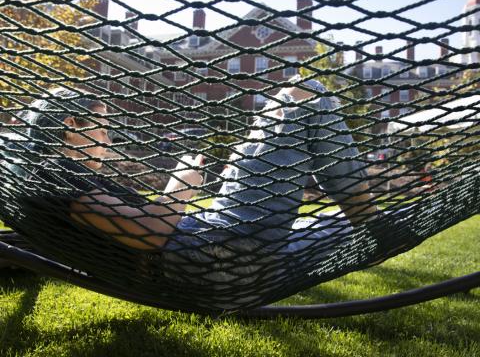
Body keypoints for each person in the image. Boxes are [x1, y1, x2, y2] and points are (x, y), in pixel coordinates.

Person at [1, 81, 407, 307]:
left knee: (336, 222)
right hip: (223, 261)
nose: (108, 139)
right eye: (101, 126)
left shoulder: (41, 178)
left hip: (218, 245)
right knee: (305, 98)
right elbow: (150, 233)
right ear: (71, 126)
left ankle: (372, 227)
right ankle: (371, 223)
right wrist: (181, 186)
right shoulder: (54, 175)